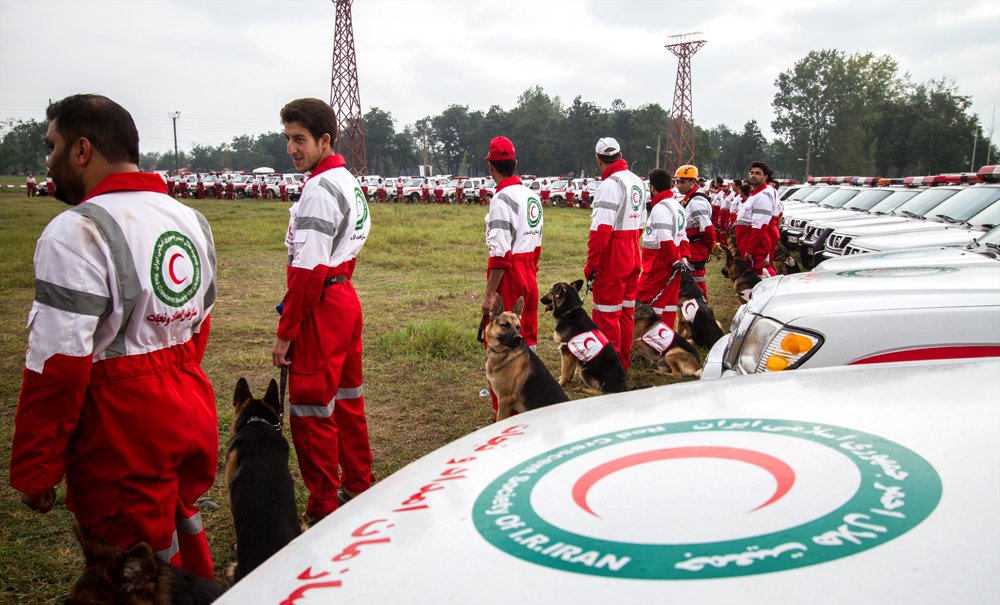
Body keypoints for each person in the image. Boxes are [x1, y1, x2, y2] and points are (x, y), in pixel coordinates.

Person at [10, 94, 218, 578]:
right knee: (180, 536)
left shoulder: (76, 230)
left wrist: (36, 468)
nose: (48, 159)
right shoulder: (191, 219)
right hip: (188, 404)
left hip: (122, 428)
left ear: (82, 150)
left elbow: (57, 366)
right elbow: (198, 323)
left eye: (52, 145)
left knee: (127, 572)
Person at [272, 98, 373, 526]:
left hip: (322, 302)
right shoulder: (347, 181)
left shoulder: (318, 189)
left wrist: (286, 331)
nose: (292, 149)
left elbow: (307, 270)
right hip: (345, 296)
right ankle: (359, 483)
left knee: (313, 409)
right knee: (348, 399)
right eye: (287, 139)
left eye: (300, 140)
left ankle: (324, 507)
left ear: (324, 140)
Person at [480, 136, 543, 417]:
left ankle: (503, 414)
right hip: (530, 271)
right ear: (515, 164)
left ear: (492, 168)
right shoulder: (532, 196)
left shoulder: (501, 199)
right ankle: (526, 405)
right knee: (526, 340)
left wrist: (489, 294)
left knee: (501, 343)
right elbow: (538, 242)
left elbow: (499, 255)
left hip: (511, 275)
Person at [584, 137, 645, 371]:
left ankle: (609, 371)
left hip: (613, 256)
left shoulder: (610, 185)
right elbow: (640, 224)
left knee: (606, 316)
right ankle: (623, 364)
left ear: (598, 160)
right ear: (620, 155)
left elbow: (601, 230)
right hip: (632, 251)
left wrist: (591, 264)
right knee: (626, 314)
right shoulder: (637, 181)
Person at [637, 169, 691, 328]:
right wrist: (684, 258)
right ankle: (666, 336)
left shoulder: (661, 208)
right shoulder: (677, 206)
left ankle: (650, 337)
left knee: (645, 301)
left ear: (652, 187)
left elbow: (665, 238)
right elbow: (683, 236)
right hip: (673, 261)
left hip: (659, 264)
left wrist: (674, 261)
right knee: (668, 304)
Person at [675, 164, 717, 300]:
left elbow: (706, 228)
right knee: (688, 286)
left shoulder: (697, 201)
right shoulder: (688, 199)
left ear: (693, 182)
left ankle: (702, 314)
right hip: (690, 248)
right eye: (677, 182)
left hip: (696, 250)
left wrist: (711, 246)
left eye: (682, 182)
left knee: (697, 287)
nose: (678, 185)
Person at [735, 161, 778, 277]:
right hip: (748, 243)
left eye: (758, 173)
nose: (753, 175)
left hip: (756, 247)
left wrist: (750, 250)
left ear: (765, 177)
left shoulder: (763, 197)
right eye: (752, 172)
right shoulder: (754, 195)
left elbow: (760, 227)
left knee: (760, 275)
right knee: (753, 276)